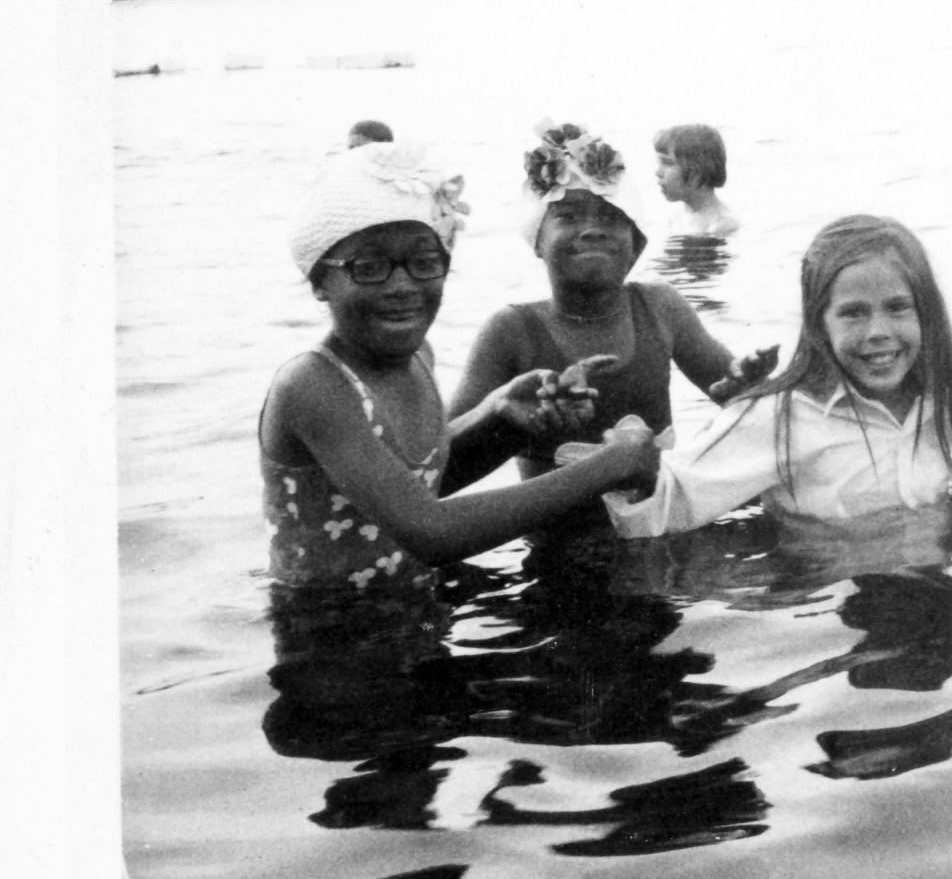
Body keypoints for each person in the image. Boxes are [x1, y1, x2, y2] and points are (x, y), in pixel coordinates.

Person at [259, 139, 660, 593]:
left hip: (415, 608)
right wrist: (612, 464)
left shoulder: (418, 358)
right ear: (319, 281)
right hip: (329, 636)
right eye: (369, 267)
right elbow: (431, 532)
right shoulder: (312, 384)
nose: (401, 285)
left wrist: (505, 423)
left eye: (424, 263)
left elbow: (419, 488)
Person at [601, 215, 952, 533]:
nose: (878, 333)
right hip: (834, 599)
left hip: (940, 593)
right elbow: (672, 499)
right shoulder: (780, 418)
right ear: (819, 325)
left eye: (897, 307)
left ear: (927, 312)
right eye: (853, 313)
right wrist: (635, 467)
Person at [444, 121, 778, 505]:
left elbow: (749, 406)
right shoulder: (511, 331)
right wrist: (501, 416)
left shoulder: (660, 307)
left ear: (636, 245)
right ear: (537, 240)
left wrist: (747, 394)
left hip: (661, 528)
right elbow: (437, 463)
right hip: (559, 545)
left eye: (610, 218)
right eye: (568, 216)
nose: (591, 230)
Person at [653, 123, 738, 238]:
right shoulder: (675, 219)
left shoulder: (720, 225)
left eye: (668, 163)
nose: (658, 172)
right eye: (659, 163)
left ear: (697, 171)